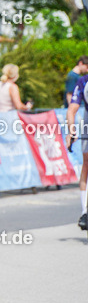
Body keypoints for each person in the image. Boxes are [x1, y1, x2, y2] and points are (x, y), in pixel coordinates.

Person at [66, 72, 88, 230]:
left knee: (86, 167)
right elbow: (71, 110)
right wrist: (71, 132)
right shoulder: (83, 81)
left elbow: (71, 111)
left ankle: (85, 212)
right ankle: (85, 212)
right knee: (86, 166)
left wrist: (71, 131)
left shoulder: (83, 81)